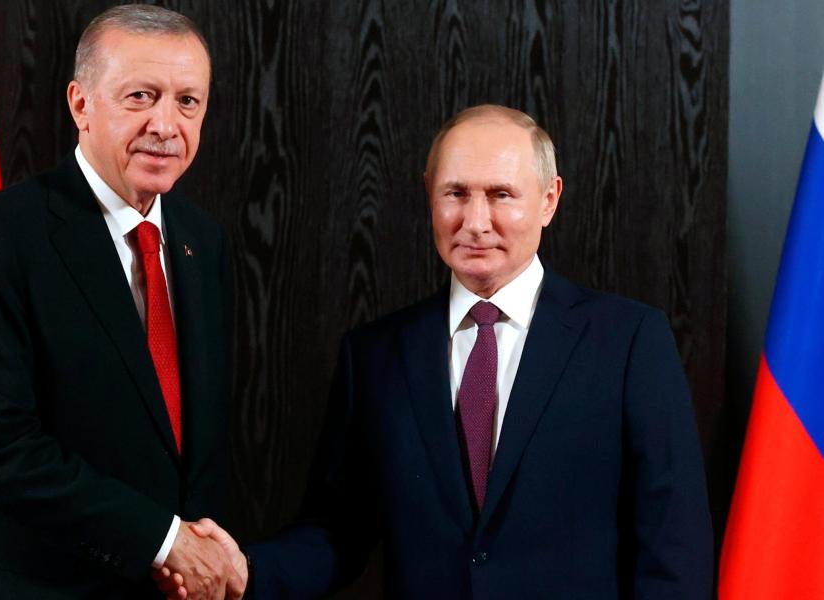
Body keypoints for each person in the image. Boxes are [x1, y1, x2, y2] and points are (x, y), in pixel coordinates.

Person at [187, 105, 713, 599]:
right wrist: (244, 573)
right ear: (428, 195)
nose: (476, 221)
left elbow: (673, 543)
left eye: (501, 194)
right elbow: (338, 531)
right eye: (455, 193)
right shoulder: (375, 356)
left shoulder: (629, 340)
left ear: (549, 199)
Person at [0, 5, 241, 599]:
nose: (166, 124)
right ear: (81, 105)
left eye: (187, 102)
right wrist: (163, 542)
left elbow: (191, 443)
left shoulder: (203, 242)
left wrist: (196, 555)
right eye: (140, 96)